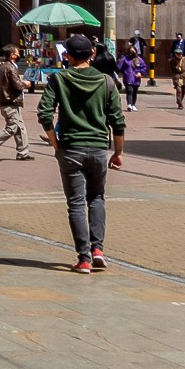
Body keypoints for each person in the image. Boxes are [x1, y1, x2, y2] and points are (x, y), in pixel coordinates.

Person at [36, 33, 126, 273]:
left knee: (76, 202)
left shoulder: (59, 79)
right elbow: (118, 121)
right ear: (92, 54)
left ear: (67, 56)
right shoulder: (107, 82)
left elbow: (44, 114)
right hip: (98, 148)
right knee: (96, 198)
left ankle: (84, 258)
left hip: (70, 148)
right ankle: (98, 249)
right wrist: (118, 152)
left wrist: (55, 144)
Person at [0, 45, 34, 161]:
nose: (19, 54)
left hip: (8, 101)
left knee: (20, 128)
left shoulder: (4, 66)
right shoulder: (10, 68)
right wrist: (26, 84)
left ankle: (23, 153)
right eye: (17, 53)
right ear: (12, 55)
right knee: (12, 128)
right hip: (10, 102)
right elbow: (17, 85)